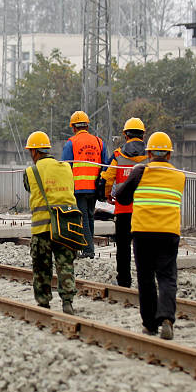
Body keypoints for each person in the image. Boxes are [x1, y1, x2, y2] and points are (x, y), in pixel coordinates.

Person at [111, 131, 185, 338]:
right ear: (169, 155)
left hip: (143, 232)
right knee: (167, 277)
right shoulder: (179, 176)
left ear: (149, 153)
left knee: (145, 278)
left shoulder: (140, 172)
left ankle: (150, 324)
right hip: (168, 232)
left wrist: (135, 175)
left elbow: (121, 197)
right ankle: (167, 318)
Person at [23, 130, 78, 314]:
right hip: (65, 226)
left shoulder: (31, 171)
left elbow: (28, 187)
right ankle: (67, 302)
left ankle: (43, 302)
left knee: (41, 267)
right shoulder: (66, 167)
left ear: (34, 152)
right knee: (65, 264)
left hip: (42, 229)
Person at [102, 118, 149, 290]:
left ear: (125, 135)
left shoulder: (118, 155)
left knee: (123, 248)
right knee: (143, 248)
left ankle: (124, 281)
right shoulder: (150, 156)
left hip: (123, 210)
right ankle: (146, 281)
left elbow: (107, 177)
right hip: (144, 210)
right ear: (143, 135)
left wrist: (108, 195)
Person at [61, 110, 109, 259]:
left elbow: (65, 168)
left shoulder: (71, 143)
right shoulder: (99, 142)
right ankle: (89, 248)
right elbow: (106, 166)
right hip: (94, 188)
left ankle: (88, 250)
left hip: (79, 188)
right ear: (87, 126)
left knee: (83, 219)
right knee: (90, 217)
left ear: (73, 128)